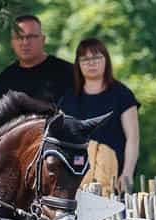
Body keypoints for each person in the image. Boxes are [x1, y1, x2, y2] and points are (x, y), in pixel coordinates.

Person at [59, 38, 140, 196]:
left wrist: (127, 173)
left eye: (96, 57)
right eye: (85, 59)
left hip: (113, 176)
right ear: (78, 64)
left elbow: (133, 138)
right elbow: (62, 141)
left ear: (106, 60)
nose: (91, 63)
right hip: (77, 177)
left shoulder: (122, 95)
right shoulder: (68, 98)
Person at [0, 15, 73, 106]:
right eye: (19, 37)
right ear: (12, 43)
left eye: (31, 37)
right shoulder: (5, 78)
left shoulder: (68, 72)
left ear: (43, 40)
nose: (25, 42)